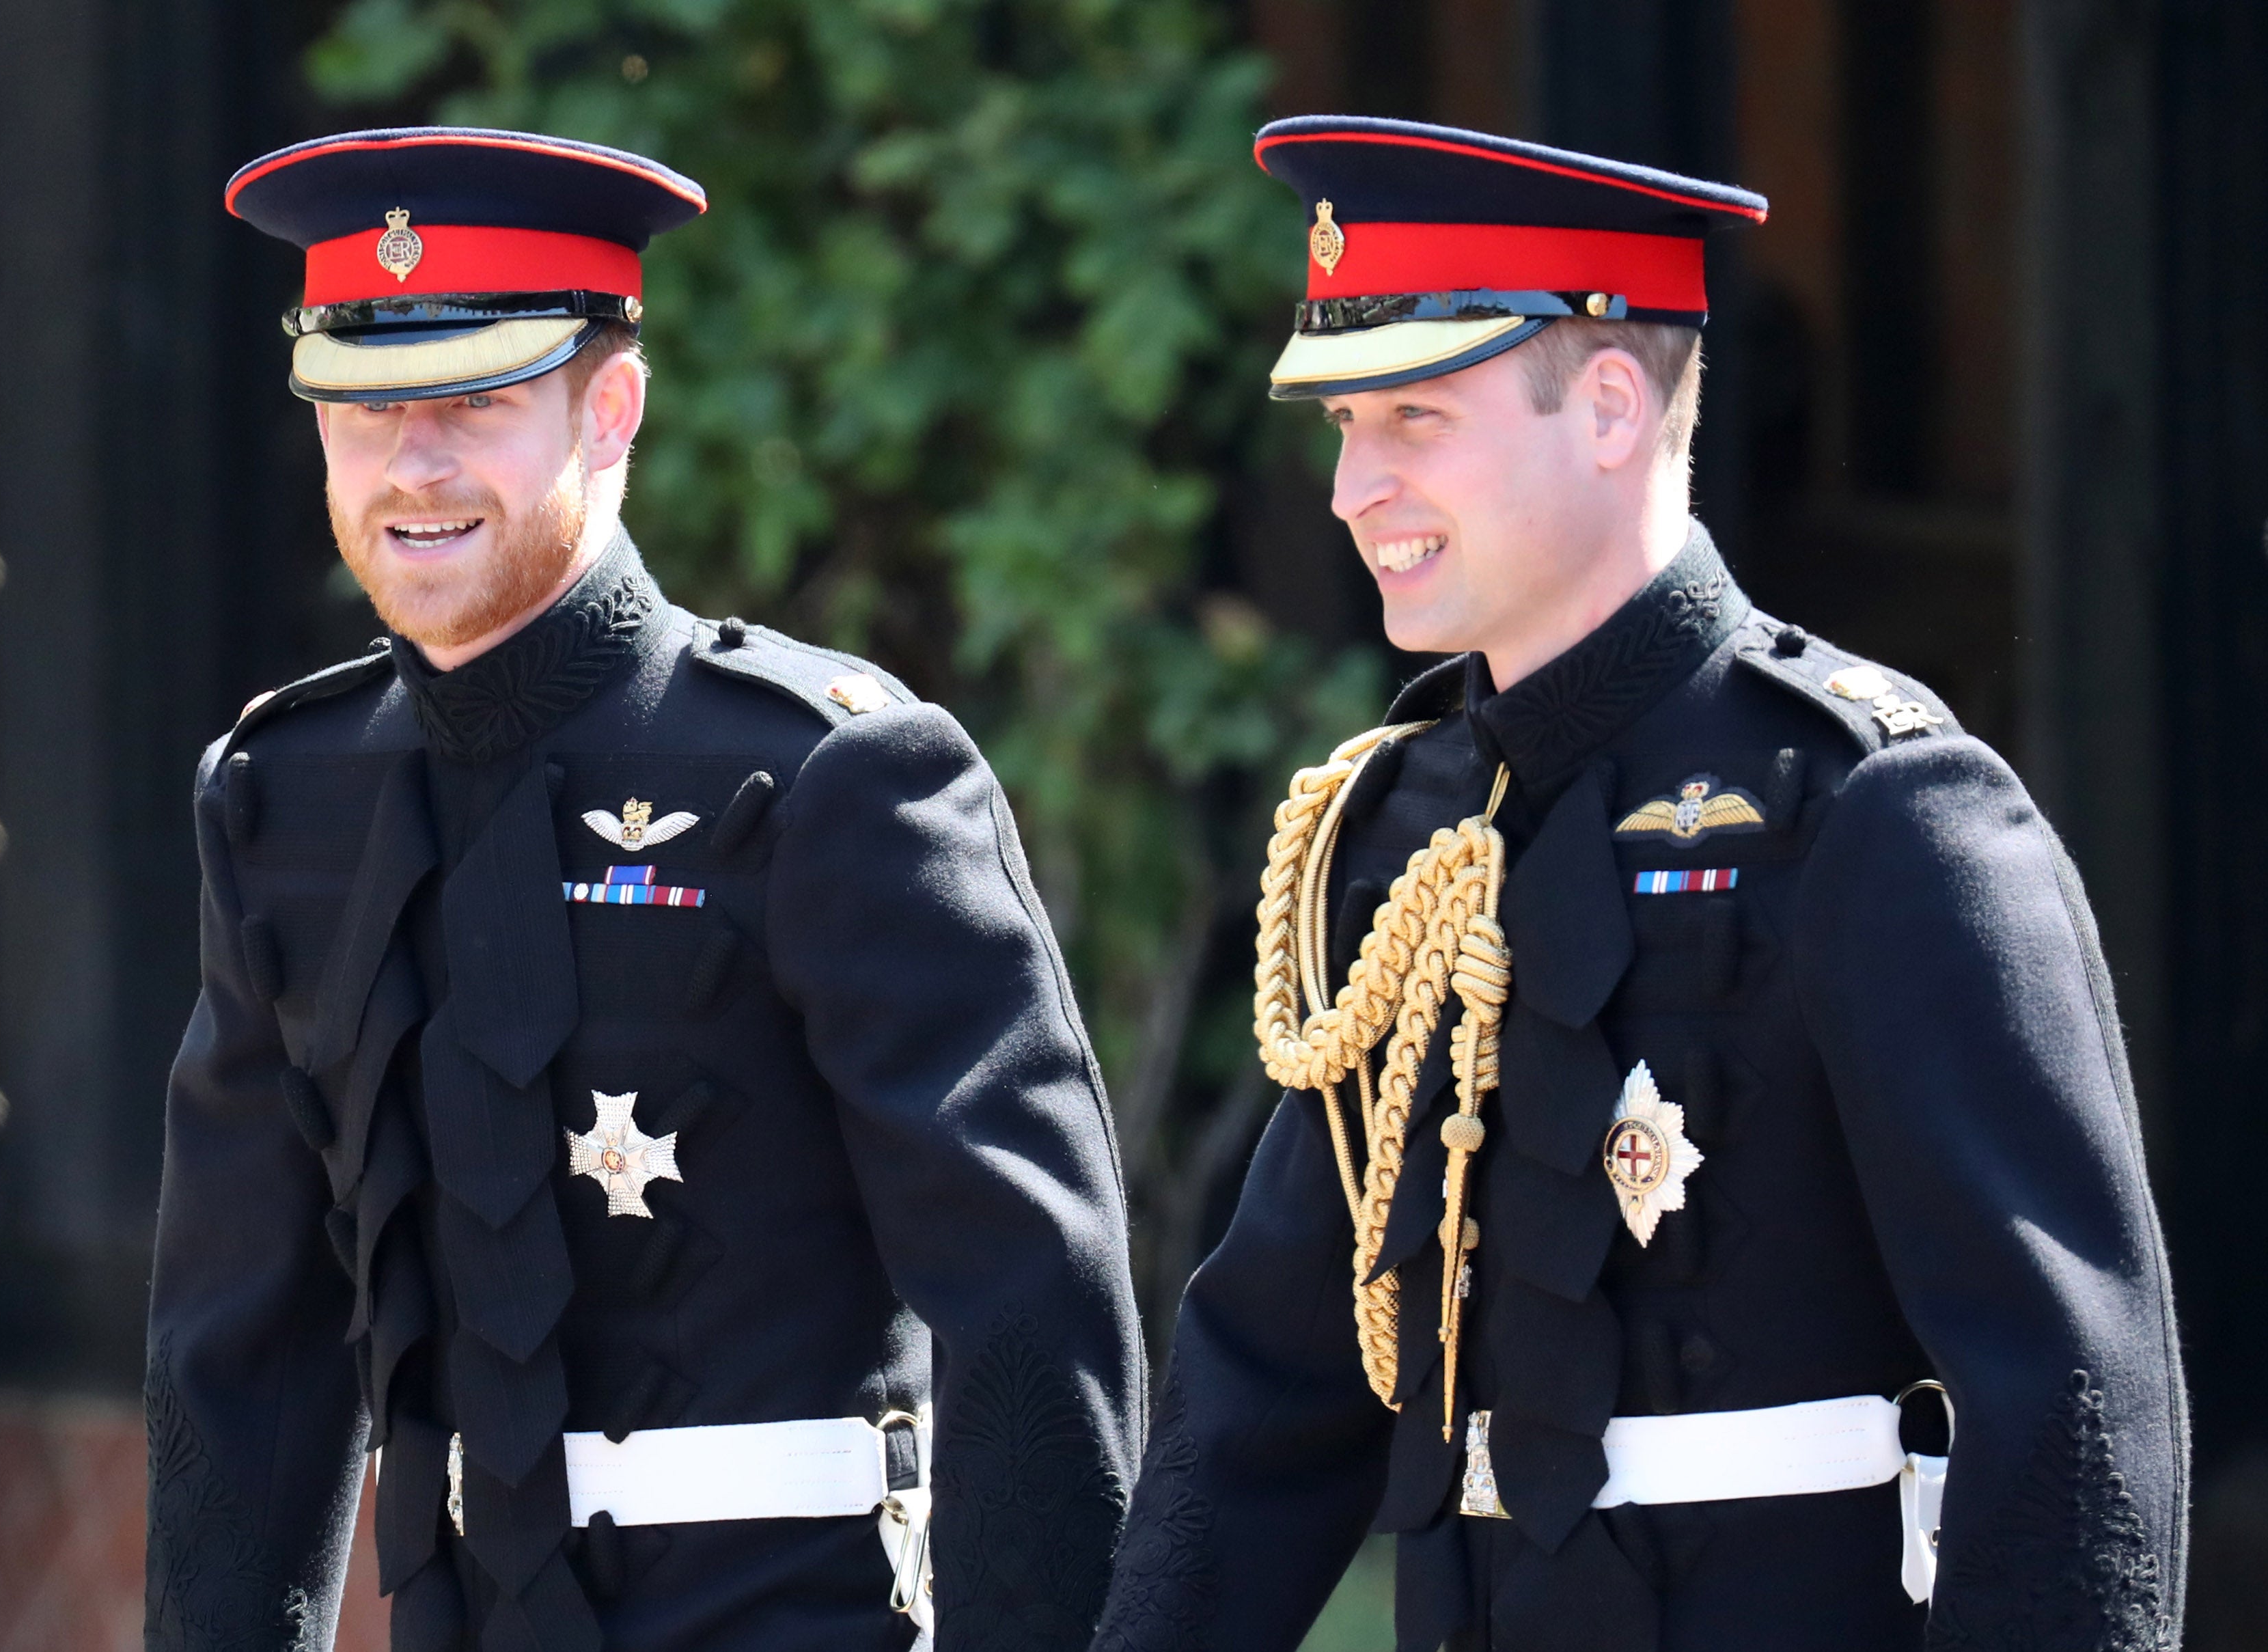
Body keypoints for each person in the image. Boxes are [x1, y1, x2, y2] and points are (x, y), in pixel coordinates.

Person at [1092, 116, 2186, 1652]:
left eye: (1411, 417)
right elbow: (1266, 1398)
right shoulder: (1399, 824)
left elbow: (2068, 1407)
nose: (1352, 487)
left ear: (1608, 404)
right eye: (1340, 427)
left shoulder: (1877, 808)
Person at [143, 126, 1143, 1652]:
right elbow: (243, 1354)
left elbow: (1031, 1312)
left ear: (608, 413)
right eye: (362, 410)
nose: (412, 467)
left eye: (473, 404)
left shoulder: (826, 778)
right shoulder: (284, 796)